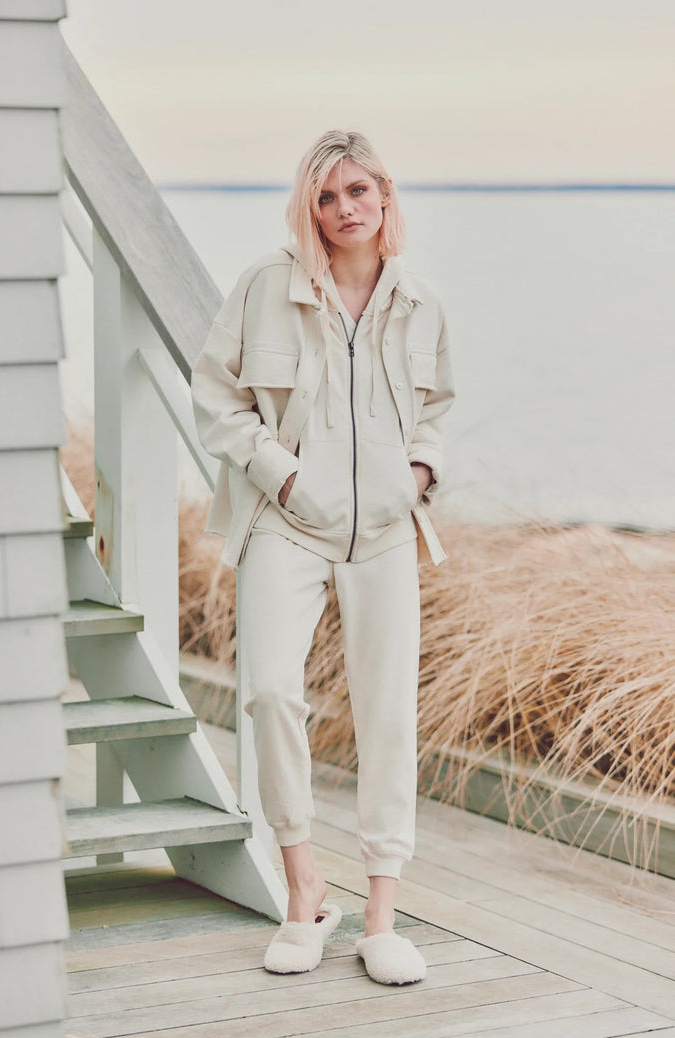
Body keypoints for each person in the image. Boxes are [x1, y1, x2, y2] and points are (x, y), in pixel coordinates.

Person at [192, 129, 454, 985]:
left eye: (359, 192)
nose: (346, 209)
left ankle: (381, 915)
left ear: (385, 196)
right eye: (329, 196)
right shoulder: (268, 286)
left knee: (387, 713)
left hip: (383, 530)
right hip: (287, 519)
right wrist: (285, 474)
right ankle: (305, 892)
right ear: (312, 207)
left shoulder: (419, 302)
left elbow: (437, 409)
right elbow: (218, 396)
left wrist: (418, 472)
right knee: (268, 689)